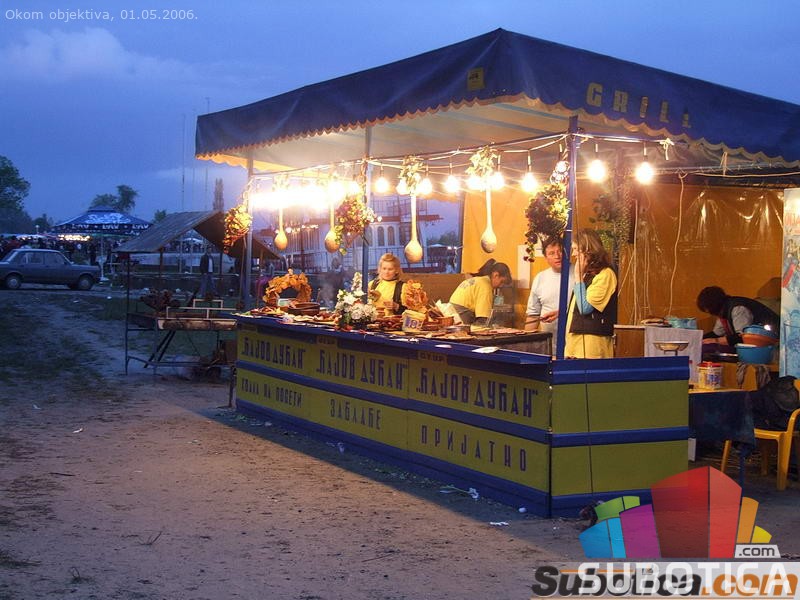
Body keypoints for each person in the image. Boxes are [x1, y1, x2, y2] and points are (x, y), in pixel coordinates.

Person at [565, 229, 618, 359]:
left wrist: (578, 276)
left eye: (576, 249)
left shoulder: (605, 274)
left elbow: (585, 308)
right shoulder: (587, 274)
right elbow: (579, 304)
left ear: (588, 250)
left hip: (591, 348)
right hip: (574, 345)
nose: (573, 254)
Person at [697, 285, 779, 349]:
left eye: (710, 311)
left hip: (772, 340)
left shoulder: (738, 308)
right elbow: (717, 333)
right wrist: (698, 340)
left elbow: (742, 336)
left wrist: (716, 341)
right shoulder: (725, 310)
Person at [525, 236, 574, 334]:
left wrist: (562, 313)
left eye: (560, 251)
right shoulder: (540, 278)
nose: (557, 256)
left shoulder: (580, 274)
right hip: (549, 340)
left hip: (574, 340)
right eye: (551, 253)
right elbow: (533, 314)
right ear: (545, 257)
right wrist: (526, 340)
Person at [448, 259, 512, 325]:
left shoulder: (478, 280)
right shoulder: (486, 287)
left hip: (449, 312)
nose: (501, 286)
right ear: (496, 275)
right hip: (460, 315)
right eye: (502, 282)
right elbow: (483, 319)